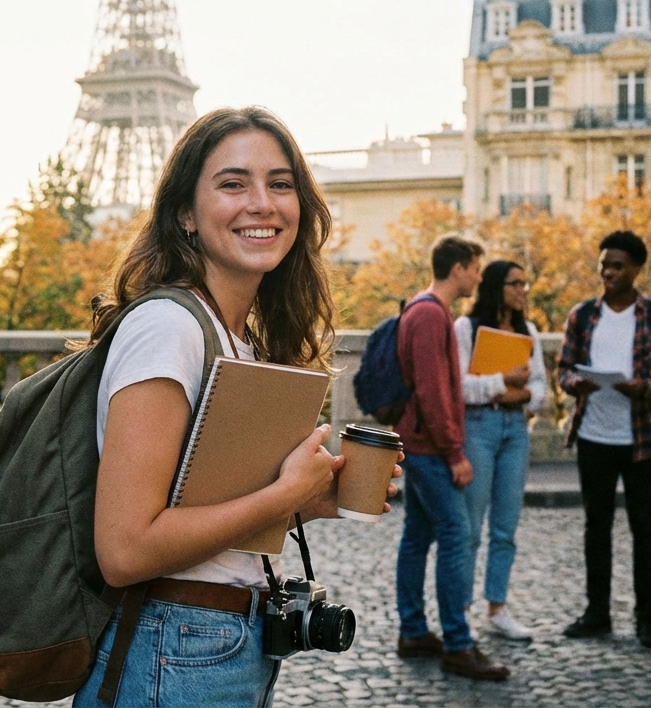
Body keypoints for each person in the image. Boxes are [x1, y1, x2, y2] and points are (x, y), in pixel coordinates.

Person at [75, 107, 401, 707]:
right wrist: (281, 496)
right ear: (185, 214)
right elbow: (125, 551)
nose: (262, 203)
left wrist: (308, 503)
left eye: (281, 184)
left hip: (211, 647)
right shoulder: (168, 327)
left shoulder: (235, 337)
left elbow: (196, 522)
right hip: (174, 652)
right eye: (233, 184)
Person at [556, 230, 651, 649]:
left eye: (617, 266)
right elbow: (563, 369)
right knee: (596, 527)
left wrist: (644, 388)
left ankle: (647, 620)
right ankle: (597, 614)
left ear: (636, 269)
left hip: (642, 439)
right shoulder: (581, 316)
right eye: (604, 265)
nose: (608, 273)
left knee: (644, 528)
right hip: (593, 436)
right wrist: (576, 383)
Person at [394, 235, 510, 681]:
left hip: (419, 444)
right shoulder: (429, 314)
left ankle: (413, 632)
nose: (478, 278)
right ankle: (458, 645)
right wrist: (454, 452)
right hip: (429, 448)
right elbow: (432, 391)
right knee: (456, 535)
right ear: (458, 268)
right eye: (475, 268)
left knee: (417, 537)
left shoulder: (426, 309)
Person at [454, 260, 547, 642]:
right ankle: (460, 611)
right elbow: (460, 387)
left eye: (525, 283)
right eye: (515, 283)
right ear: (496, 286)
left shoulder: (529, 331)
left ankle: (498, 607)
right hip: (478, 428)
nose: (523, 290)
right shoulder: (467, 328)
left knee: (506, 527)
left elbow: (540, 391)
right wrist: (503, 382)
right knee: (470, 527)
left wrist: (515, 394)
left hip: (516, 430)